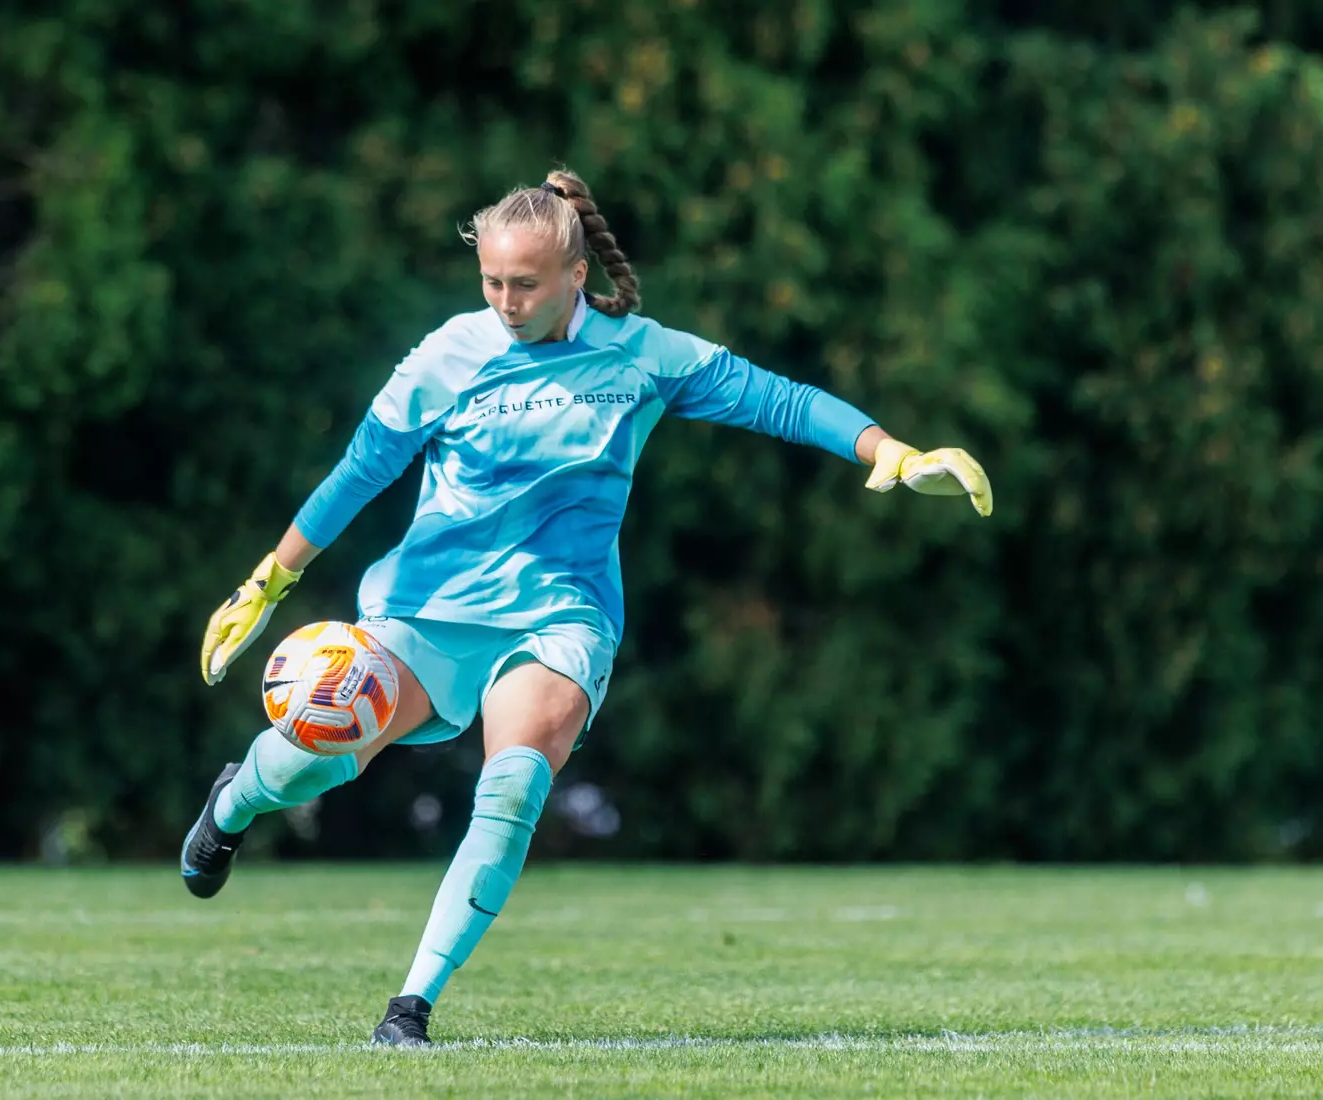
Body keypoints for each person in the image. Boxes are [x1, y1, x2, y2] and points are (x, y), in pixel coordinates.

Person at [179, 169, 993, 1046]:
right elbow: (362, 469)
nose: (505, 301)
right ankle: (232, 805)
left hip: (561, 615)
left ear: (574, 276)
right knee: (321, 758)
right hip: (426, 608)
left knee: (515, 780)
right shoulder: (449, 353)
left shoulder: (643, 356)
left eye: (524, 284)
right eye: (491, 281)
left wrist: (889, 451)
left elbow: (778, 399)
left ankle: (408, 1008)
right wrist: (267, 579)